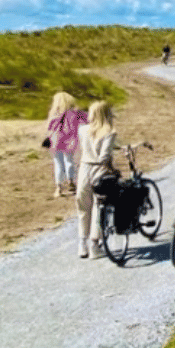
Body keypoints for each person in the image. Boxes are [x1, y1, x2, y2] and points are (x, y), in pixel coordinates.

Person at [75, 101, 117, 259]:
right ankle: (95, 244)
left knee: (83, 206)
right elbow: (104, 157)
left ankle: (82, 243)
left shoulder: (82, 130)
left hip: (84, 168)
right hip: (99, 170)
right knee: (98, 206)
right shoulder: (109, 132)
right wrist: (112, 169)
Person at [45, 91, 88, 199]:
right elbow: (88, 119)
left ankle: (59, 188)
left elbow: (49, 127)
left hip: (55, 140)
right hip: (70, 140)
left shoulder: (54, 112)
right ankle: (71, 182)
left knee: (58, 164)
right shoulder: (76, 112)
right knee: (69, 161)